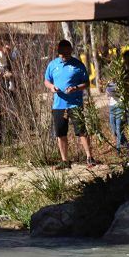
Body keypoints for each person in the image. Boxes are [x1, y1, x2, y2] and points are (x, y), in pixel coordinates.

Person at [44, 39, 94, 168]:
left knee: (82, 131)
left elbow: (87, 83)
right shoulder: (52, 64)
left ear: (71, 51)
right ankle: (65, 161)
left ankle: (89, 157)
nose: (64, 55)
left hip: (75, 104)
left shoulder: (78, 65)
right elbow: (46, 80)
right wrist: (51, 87)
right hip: (58, 105)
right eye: (61, 52)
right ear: (58, 51)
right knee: (60, 133)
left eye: (66, 52)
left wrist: (76, 88)